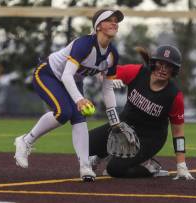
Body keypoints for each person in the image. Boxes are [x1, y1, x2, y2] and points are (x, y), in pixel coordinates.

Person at [14, 9, 124, 182]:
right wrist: (79, 99)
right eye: (109, 20)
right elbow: (66, 75)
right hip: (48, 73)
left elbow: (107, 88)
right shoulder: (85, 44)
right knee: (63, 112)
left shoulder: (112, 54)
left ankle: (85, 166)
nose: (115, 23)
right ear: (98, 26)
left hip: (73, 79)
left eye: (116, 20)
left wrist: (114, 119)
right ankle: (25, 141)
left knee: (79, 118)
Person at [89, 45, 195, 180]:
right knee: (85, 144)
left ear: (174, 70)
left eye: (168, 66)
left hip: (149, 138)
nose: (163, 69)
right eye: (160, 64)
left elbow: (178, 133)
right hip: (123, 126)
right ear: (153, 63)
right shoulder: (137, 72)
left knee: (114, 169)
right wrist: (108, 79)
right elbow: (102, 73)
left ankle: (150, 167)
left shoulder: (174, 95)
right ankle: (101, 155)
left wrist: (181, 165)